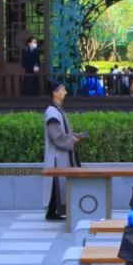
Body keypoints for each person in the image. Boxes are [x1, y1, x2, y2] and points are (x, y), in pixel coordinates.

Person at [44, 82, 85, 221]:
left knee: (57, 185)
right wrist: (74, 139)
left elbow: (64, 133)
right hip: (56, 157)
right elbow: (57, 137)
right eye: (63, 90)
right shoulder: (52, 112)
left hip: (61, 155)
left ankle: (53, 212)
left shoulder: (57, 110)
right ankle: (52, 212)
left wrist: (75, 136)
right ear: (55, 93)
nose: (65, 92)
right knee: (55, 186)